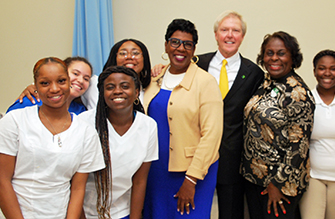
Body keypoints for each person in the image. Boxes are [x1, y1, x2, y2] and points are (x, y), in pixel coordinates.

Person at [0, 57, 105, 218]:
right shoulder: (15, 121)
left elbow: (77, 189)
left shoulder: (85, 131)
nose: (54, 88)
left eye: (61, 81)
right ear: (35, 86)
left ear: (69, 82)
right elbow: (2, 180)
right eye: (45, 83)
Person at [142, 18, 223, 218]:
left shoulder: (206, 82)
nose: (181, 48)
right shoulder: (155, 78)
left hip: (192, 173)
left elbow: (212, 135)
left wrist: (192, 179)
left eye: (188, 44)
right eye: (175, 42)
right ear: (166, 45)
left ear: (194, 49)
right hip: (155, 170)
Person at [196, 11, 265, 219]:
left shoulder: (254, 72)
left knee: (231, 213)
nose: (230, 35)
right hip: (197, 153)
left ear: (242, 37)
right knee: (195, 211)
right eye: (224, 30)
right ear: (216, 34)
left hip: (234, 160)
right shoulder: (197, 63)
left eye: (235, 31)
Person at [241, 31, 314, 219]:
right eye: (269, 53)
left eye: (281, 53)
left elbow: (299, 147)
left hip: (279, 185)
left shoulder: (298, 94)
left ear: (292, 58)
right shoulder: (266, 83)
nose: (274, 58)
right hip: (254, 177)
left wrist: (277, 184)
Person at [79, 66, 158, 219]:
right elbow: (74, 182)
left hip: (122, 211)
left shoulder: (148, 126)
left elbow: (140, 181)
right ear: (102, 93)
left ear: (136, 92)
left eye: (125, 86)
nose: (117, 91)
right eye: (110, 87)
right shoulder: (84, 122)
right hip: (84, 211)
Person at [298, 49, 335, 219]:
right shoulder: (305, 99)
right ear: (314, 71)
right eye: (322, 68)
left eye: (333, 68)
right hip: (312, 177)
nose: (327, 73)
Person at [17, 39, 152, 110]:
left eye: (135, 53)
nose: (129, 57)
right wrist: (35, 87)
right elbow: (62, 82)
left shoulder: (151, 86)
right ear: (114, 58)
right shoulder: (94, 83)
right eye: (122, 53)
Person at [7, 57, 93, 114]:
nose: (80, 80)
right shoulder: (30, 101)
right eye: (75, 73)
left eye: (86, 78)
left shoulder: (81, 111)